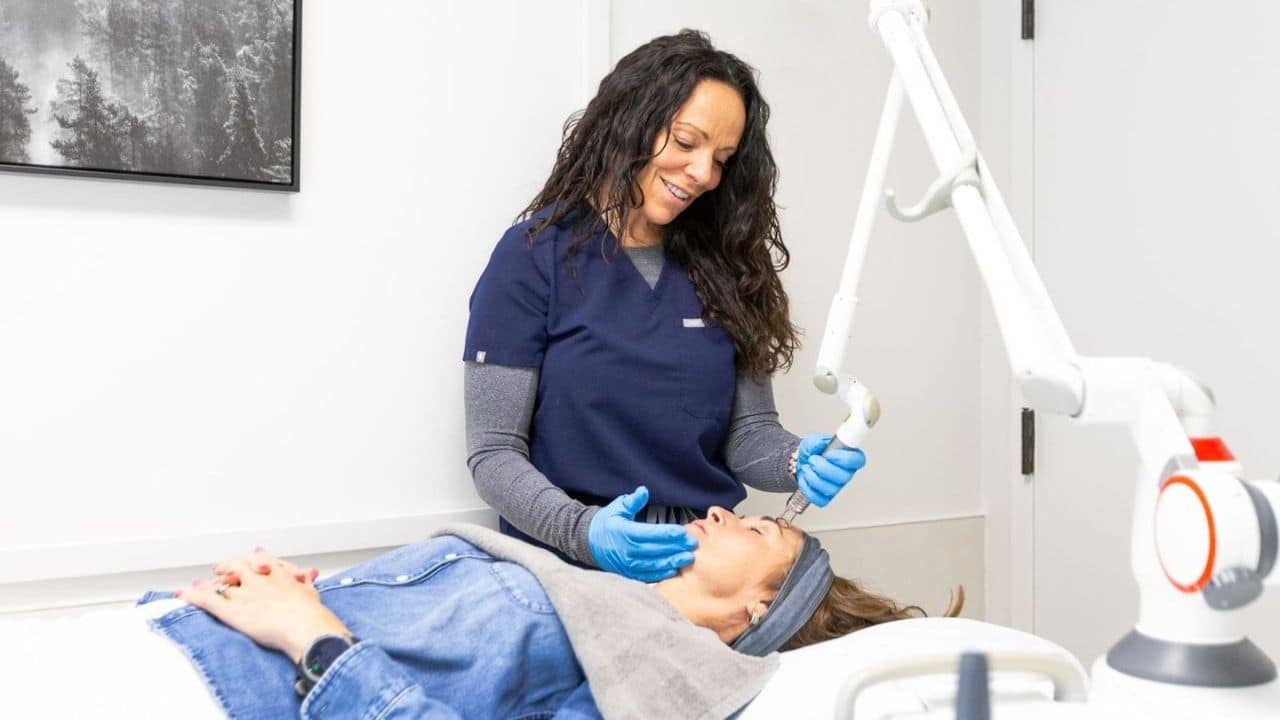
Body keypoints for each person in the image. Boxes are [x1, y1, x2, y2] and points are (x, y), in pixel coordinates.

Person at [464, 29, 866, 582]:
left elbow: (748, 436)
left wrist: (797, 461)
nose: (704, 174)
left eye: (721, 158)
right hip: (564, 571)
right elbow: (494, 454)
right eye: (685, 142)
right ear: (628, 123)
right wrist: (583, 532)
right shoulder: (533, 258)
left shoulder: (726, 267)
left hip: (703, 568)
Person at [2, 511, 956, 719]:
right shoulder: (594, 588)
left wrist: (311, 636)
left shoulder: (649, 673)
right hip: (156, 637)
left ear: (759, 605)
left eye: (754, 527)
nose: (719, 510)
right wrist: (301, 590)